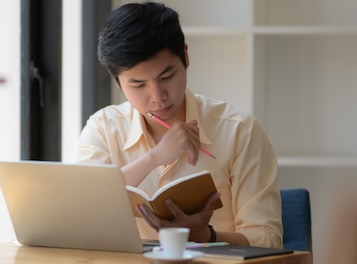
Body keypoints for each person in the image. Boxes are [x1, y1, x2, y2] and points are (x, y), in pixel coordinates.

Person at [70, 2, 282, 248]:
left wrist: (207, 237)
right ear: (117, 81)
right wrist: (155, 157)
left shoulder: (239, 130)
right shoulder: (102, 129)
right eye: (138, 85)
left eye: (167, 76)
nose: (158, 96)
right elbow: (79, 212)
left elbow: (268, 239)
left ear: (186, 56)